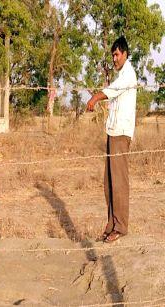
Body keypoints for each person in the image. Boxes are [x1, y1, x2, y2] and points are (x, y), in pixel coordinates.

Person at [86, 36, 137, 243]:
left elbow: (112, 92)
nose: (114, 59)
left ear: (125, 54)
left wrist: (95, 98)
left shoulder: (128, 75)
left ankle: (121, 227)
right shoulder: (120, 75)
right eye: (113, 55)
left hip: (121, 134)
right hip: (112, 132)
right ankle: (111, 224)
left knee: (119, 182)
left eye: (117, 54)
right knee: (109, 183)